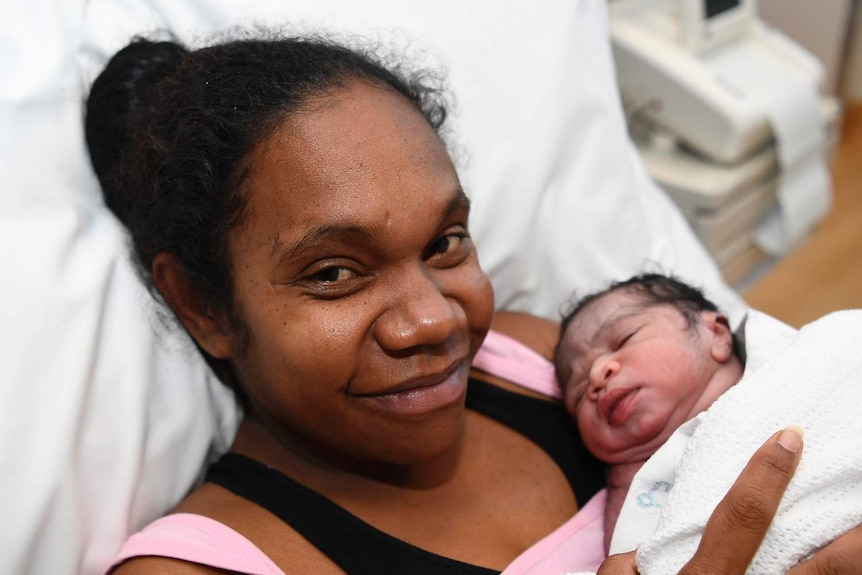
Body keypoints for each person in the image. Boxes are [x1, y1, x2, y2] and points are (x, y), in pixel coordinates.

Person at [85, 33, 862, 575]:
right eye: (333, 273)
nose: (434, 320)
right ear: (203, 304)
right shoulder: (202, 564)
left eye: (445, 242)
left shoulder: (538, 362)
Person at [554, 273, 862, 573]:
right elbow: (644, 558)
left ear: (715, 334)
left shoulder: (792, 364)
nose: (597, 376)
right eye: (579, 395)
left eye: (624, 338)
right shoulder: (633, 483)